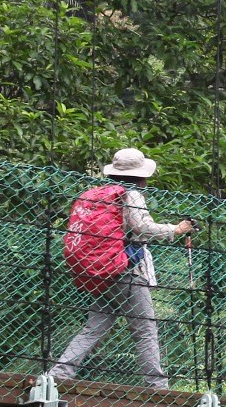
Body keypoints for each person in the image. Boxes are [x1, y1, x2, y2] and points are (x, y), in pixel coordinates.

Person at [47, 146, 191, 390]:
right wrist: (175, 229)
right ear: (141, 175)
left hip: (99, 270)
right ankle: (156, 386)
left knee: (95, 326)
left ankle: (59, 374)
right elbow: (142, 227)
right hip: (125, 271)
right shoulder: (130, 194)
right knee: (145, 327)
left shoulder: (97, 194)